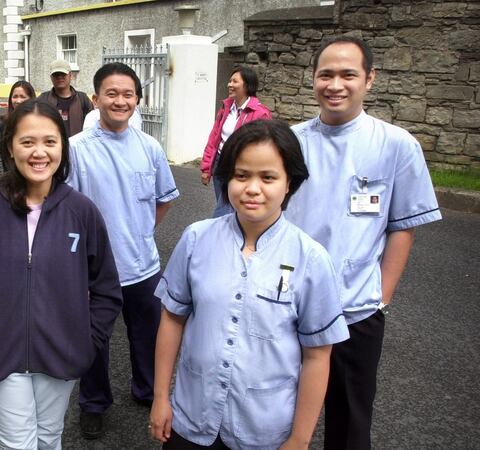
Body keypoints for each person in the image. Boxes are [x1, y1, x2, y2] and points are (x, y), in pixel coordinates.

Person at [149, 120, 349, 449]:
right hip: (191, 416)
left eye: (268, 177)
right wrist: (160, 397)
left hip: (263, 430)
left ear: (289, 182)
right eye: (241, 175)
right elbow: (172, 318)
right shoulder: (196, 238)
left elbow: (317, 355)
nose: (252, 188)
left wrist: (299, 439)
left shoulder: (311, 259)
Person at [284, 36, 442, 449]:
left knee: (350, 422)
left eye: (348, 74)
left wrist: (380, 298)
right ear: (313, 78)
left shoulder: (396, 145)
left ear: (369, 79)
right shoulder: (289, 142)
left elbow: (402, 227)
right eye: (326, 75)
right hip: (286, 306)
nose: (335, 85)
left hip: (356, 311)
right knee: (275, 413)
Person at [0, 99, 122, 450]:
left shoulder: (81, 212)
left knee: (48, 438)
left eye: (49, 141)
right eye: (27, 142)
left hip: (60, 353)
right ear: (10, 147)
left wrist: (86, 342)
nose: (39, 152)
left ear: (62, 147)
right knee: (18, 445)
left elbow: (106, 288)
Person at [67, 62, 179, 439]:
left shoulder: (149, 147)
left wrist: (140, 233)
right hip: (92, 270)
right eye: (111, 94)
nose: (120, 101)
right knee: (93, 341)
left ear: (137, 100)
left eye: (128, 94)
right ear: (95, 99)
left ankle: (146, 390)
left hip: (142, 265)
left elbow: (163, 199)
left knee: (147, 335)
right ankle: (93, 403)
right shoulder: (76, 150)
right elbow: (64, 213)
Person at [200, 67, 271, 217]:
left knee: (224, 209)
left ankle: (217, 230)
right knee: (228, 206)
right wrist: (206, 168)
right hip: (220, 163)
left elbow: (263, 147)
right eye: (230, 81)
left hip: (240, 168)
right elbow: (214, 138)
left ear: (247, 85)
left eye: (234, 81)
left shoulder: (260, 113)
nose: (229, 84)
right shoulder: (226, 108)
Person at [36, 59, 93, 137]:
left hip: (77, 145)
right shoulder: (43, 100)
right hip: (52, 144)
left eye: (63, 74)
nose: (59, 77)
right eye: (56, 74)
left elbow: (92, 127)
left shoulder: (83, 99)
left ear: (70, 75)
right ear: (51, 77)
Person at [0, 80, 35, 176]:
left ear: (31, 99)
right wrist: (1, 175)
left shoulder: (38, 122)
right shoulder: (3, 122)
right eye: (15, 96)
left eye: (22, 97)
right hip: (8, 175)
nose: (18, 101)